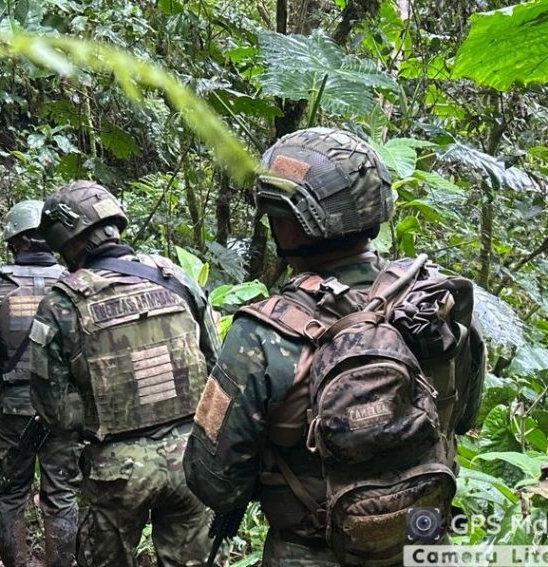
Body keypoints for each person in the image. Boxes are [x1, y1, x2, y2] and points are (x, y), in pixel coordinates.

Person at [184, 127, 486, 565]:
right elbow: (464, 417)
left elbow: (214, 481)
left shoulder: (264, 333)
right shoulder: (434, 302)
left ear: (287, 220)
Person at [30, 180, 219, 567]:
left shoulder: (61, 301)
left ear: (66, 241)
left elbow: (55, 409)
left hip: (116, 470)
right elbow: (216, 367)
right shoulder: (175, 278)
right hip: (190, 460)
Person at [0, 200, 78, 566]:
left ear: (15, 241)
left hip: (14, 407)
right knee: (61, 494)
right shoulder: (74, 286)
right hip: (62, 409)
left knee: (10, 493)